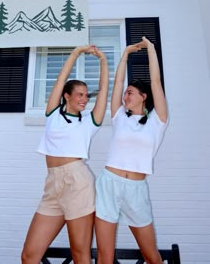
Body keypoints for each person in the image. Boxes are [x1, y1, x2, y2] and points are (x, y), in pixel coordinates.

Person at [21, 45, 108, 264]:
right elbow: (60, 80)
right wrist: (77, 52)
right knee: (29, 255)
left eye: (86, 96)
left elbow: (104, 91)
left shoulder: (89, 122)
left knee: (80, 254)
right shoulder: (53, 115)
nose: (84, 99)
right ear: (66, 96)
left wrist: (103, 61)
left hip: (78, 183)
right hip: (52, 184)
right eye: (79, 94)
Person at [95, 36, 168, 264]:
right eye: (125, 92)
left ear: (144, 97)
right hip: (109, 184)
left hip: (136, 189)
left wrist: (151, 50)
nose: (125, 95)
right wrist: (125, 54)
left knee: (152, 256)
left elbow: (156, 82)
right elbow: (117, 84)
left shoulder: (158, 121)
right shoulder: (118, 117)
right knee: (105, 257)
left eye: (131, 92)